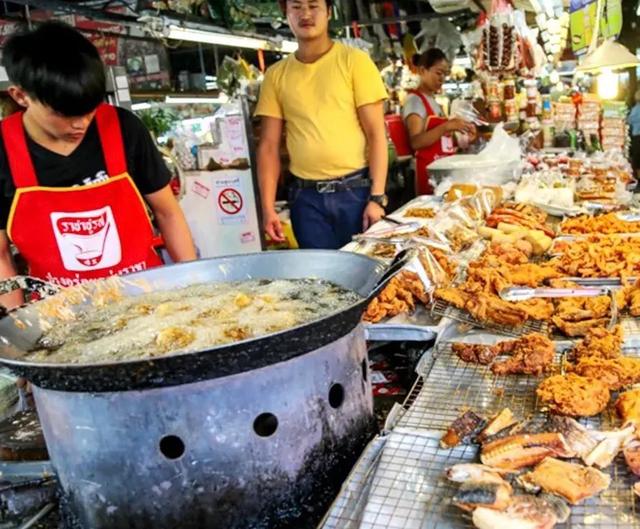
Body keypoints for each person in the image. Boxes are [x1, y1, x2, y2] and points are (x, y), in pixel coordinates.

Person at [0, 22, 196, 307]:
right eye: (64, 113)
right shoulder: (3, 150)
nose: (81, 123)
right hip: (61, 315)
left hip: (148, 301)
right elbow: (2, 255)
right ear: (21, 96)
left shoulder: (123, 128)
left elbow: (168, 214)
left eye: (89, 108)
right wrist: (17, 325)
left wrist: (192, 288)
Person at [256, 0, 389, 250]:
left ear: (328, 12)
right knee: (319, 280)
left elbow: (376, 134)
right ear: (286, 13)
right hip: (306, 201)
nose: (305, 14)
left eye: (313, 6)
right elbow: (268, 146)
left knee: (365, 274)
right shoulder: (275, 75)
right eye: (296, 7)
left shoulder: (355, 62)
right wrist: (267, 208)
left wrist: (377, 198)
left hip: (356, 194)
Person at [402, 48, 476, 195]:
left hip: (440, 173)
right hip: (426, 174)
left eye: (445, 74)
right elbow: (416, 142)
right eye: (438, 73)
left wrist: (463, 139)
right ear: (423, 70)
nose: (442, 79)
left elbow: (440, 139)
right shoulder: (415, 101)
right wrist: (447, 126)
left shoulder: (433, 101)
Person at [628, 89, 640, 178]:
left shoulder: (637, 108)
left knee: (637, 158)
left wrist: (626, 119)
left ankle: (638, 180)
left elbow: (631, 120)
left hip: (638, 135)